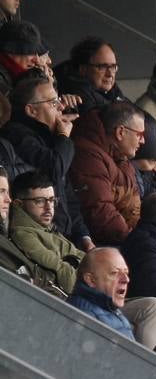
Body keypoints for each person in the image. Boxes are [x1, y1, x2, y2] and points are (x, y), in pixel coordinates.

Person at [5, 74, 92, 249]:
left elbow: (68, 198)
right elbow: (55, 168)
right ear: (31, 110)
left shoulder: (51, 139)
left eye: (58, 100)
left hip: (63, 237)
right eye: (52, 103)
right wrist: (63, 137)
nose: (60, 107)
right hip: (38, 237)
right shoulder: (17, 134)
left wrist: (84, 237)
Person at [68, 100, 144, 245]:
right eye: (140, 134)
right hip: (104, 243)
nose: (143, 141)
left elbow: (134, 208)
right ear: (120, 132)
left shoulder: (120, 155)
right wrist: (136, 241)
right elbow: (100, 212)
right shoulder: (88, 154)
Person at [68, 247, 156, 348]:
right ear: (91, 280)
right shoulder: (87, 318)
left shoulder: (108, 308)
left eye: (126, 273)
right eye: (114, 273)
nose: (126, 279)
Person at [10, 170, 84, 295]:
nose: (49, 207)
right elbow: (60, 269)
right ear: (18, 204)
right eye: (40, 201)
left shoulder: (45, 227)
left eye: (51, 200)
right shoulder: (23, 234)